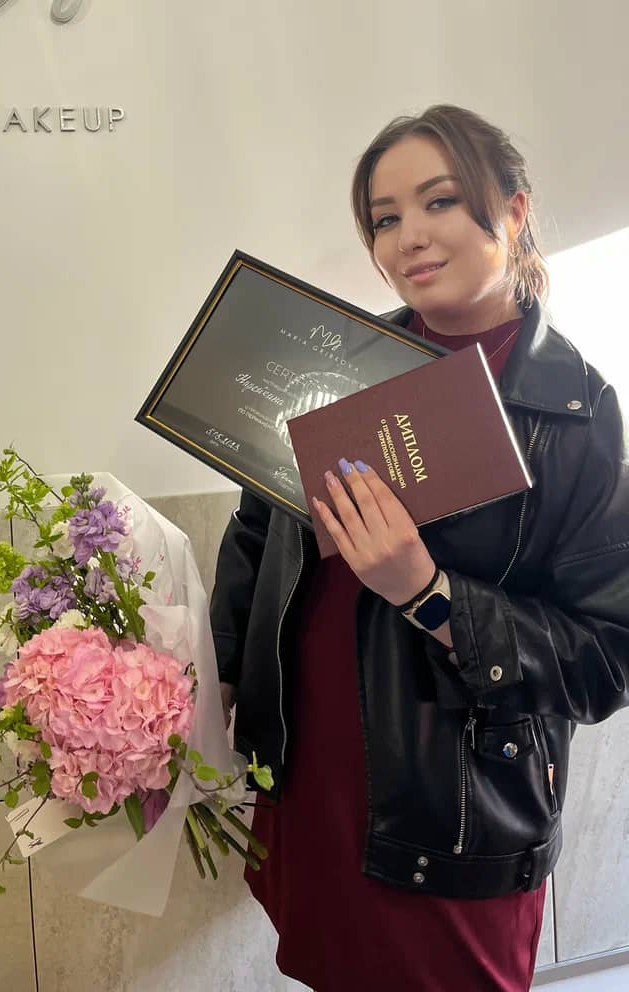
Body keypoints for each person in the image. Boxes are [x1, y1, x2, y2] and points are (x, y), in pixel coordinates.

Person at [209, 104, 629, 992]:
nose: (409, 237)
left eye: (439, 201)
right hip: (309, 768)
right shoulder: (337, 362)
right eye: (384, 218)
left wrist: (429, 592)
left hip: (454, 812)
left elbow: (605, 658)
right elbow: (257, 530)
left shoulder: (574, 411)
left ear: (513, 209)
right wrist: (218, 682)